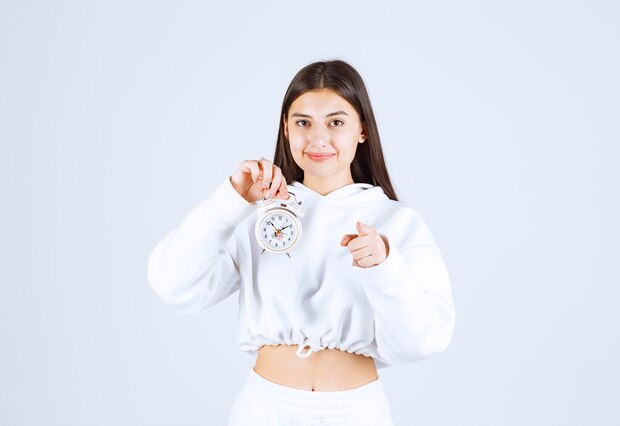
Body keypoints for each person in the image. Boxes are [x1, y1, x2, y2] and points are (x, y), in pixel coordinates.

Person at [147, 59, 456, 425]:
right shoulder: (255, 214)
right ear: (286, 129)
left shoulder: (397, 223)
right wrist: (228, 201)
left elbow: (423, 341)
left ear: (363, 131)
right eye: (303, 123)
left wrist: (385, 268)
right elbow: (173, 285)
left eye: (336, 122)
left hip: (356, 413)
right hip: (265, 410)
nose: (318, 139)